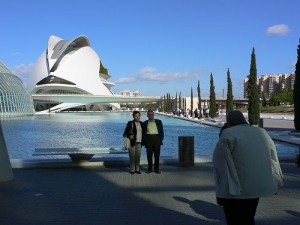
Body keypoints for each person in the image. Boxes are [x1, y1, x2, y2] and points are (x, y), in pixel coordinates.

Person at [213, 110, 283, 225]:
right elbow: (273, 155)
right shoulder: (261, 132)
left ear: (229, 121)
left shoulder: (228, 134)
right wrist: (276, 178)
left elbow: (221, 163)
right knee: (249, 217)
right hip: (255, 187)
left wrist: (221, 191)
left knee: (234, 219)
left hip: (235, 190)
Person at [142, 109, 164, 174]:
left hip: (157, 140)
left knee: (157, 156)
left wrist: (160, 140)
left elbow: (162, 132)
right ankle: (149, 169)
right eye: (149, 114)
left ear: (154, 115)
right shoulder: (145, 123)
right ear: (147, 115)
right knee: (149, 156)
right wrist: (145, 141)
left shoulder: (159, 121)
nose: (151, 115)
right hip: (149, 140)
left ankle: (157, 169)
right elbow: (143, 133)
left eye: (152, 114)